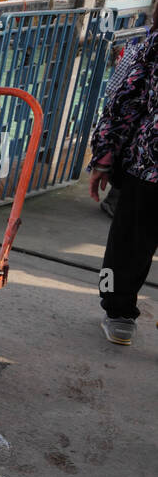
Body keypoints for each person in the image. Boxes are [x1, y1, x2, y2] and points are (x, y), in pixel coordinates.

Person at [88, 26, 158, 346]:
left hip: (148, 168)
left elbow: (122, 102)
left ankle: (118, 312)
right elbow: (124, 102)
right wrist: (104, 156)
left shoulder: (147, 46)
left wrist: (104, 157)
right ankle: (117, 311)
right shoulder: (149, 47)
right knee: (128, 243)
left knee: (128, 244)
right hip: (148, 168)